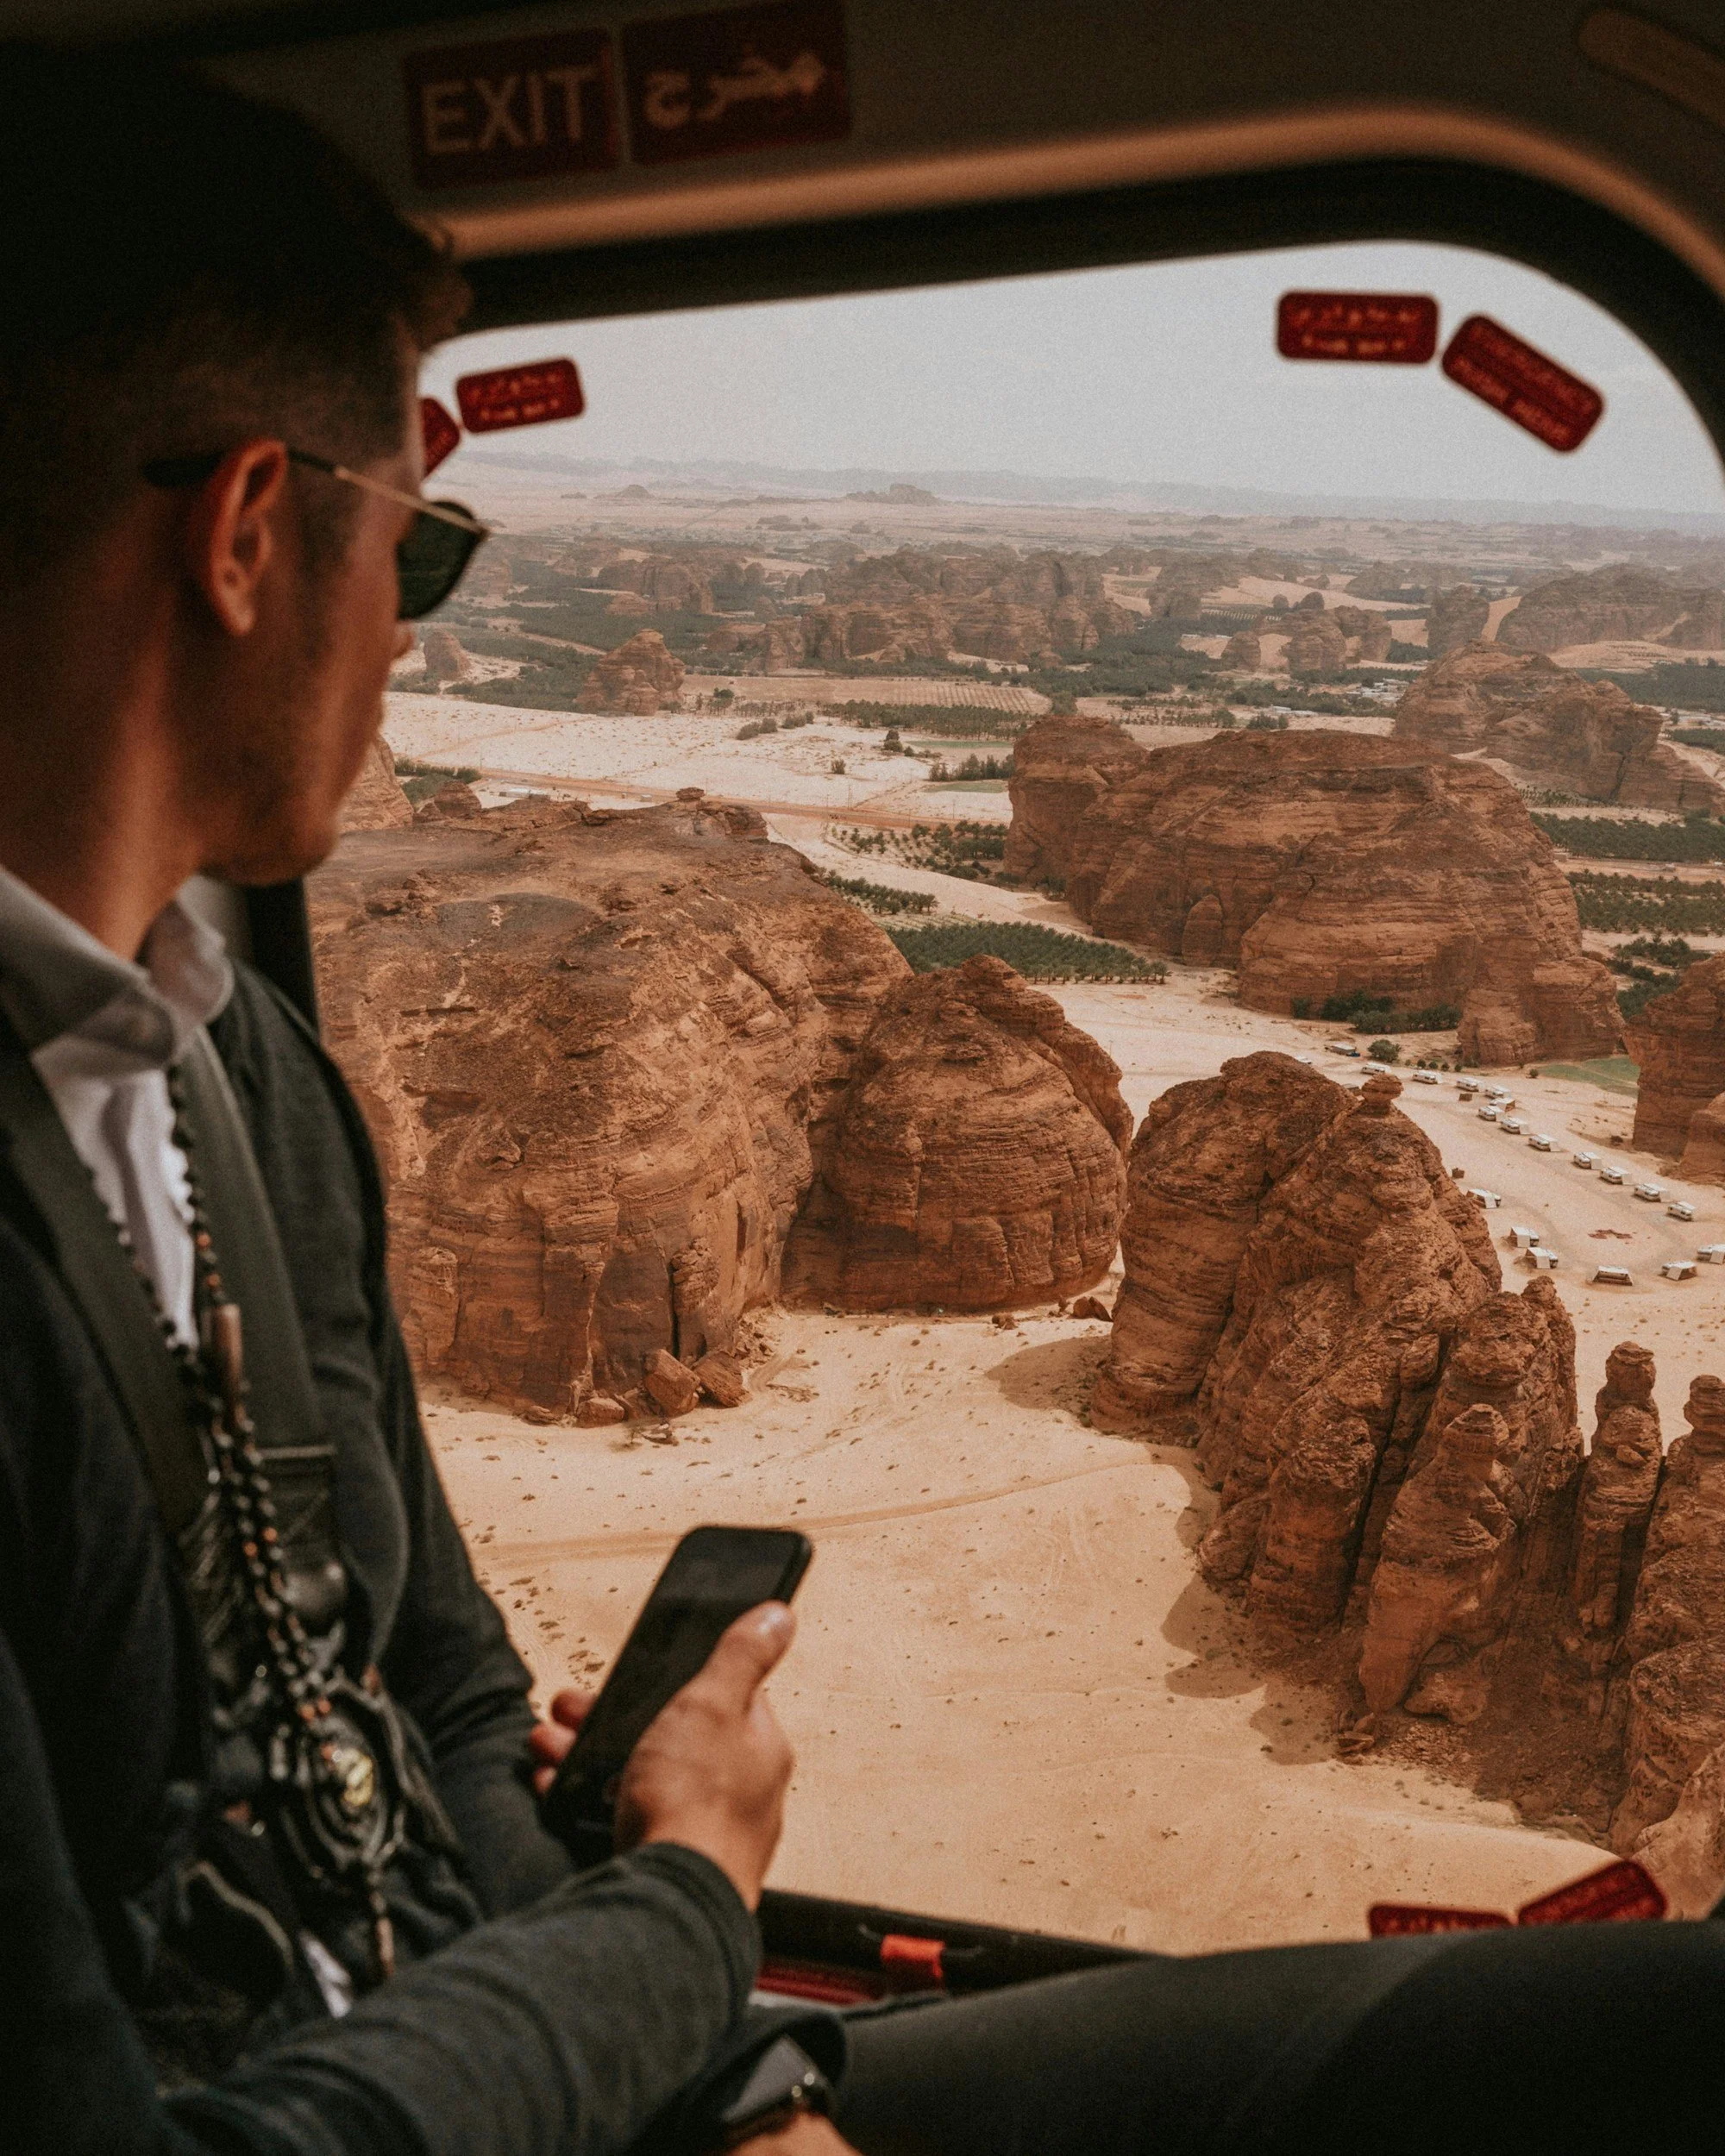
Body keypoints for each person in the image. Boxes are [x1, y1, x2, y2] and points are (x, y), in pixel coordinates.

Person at [2, 41, 1722, 2156]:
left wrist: (720, 2083)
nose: (416, 645)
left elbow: (441, 1693)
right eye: (423, 556)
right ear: (256, 530)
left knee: (1640, 2045)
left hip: (539, 2059)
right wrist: (683, 1914)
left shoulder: (241, 1071)